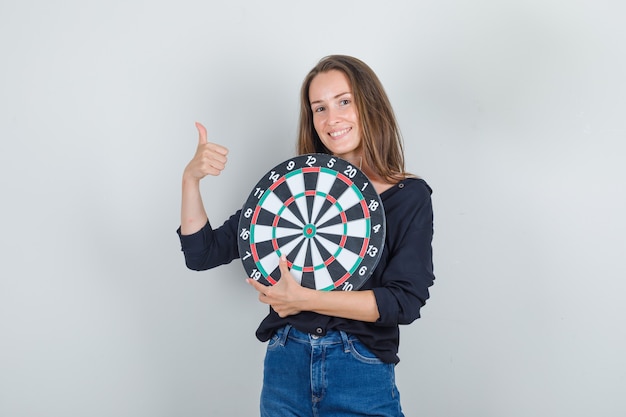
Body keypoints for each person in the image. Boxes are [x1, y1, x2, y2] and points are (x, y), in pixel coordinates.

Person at [177, 55, 435, 417]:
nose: (332, 119)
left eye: (344, 101)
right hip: (286, 367)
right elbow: (202, 253)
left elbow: (404, 302)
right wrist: (191, 179)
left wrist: (303, 299)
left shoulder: (408, 195)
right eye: (319, 108)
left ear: (369, 104)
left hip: (359, 369)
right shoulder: (292, 188)